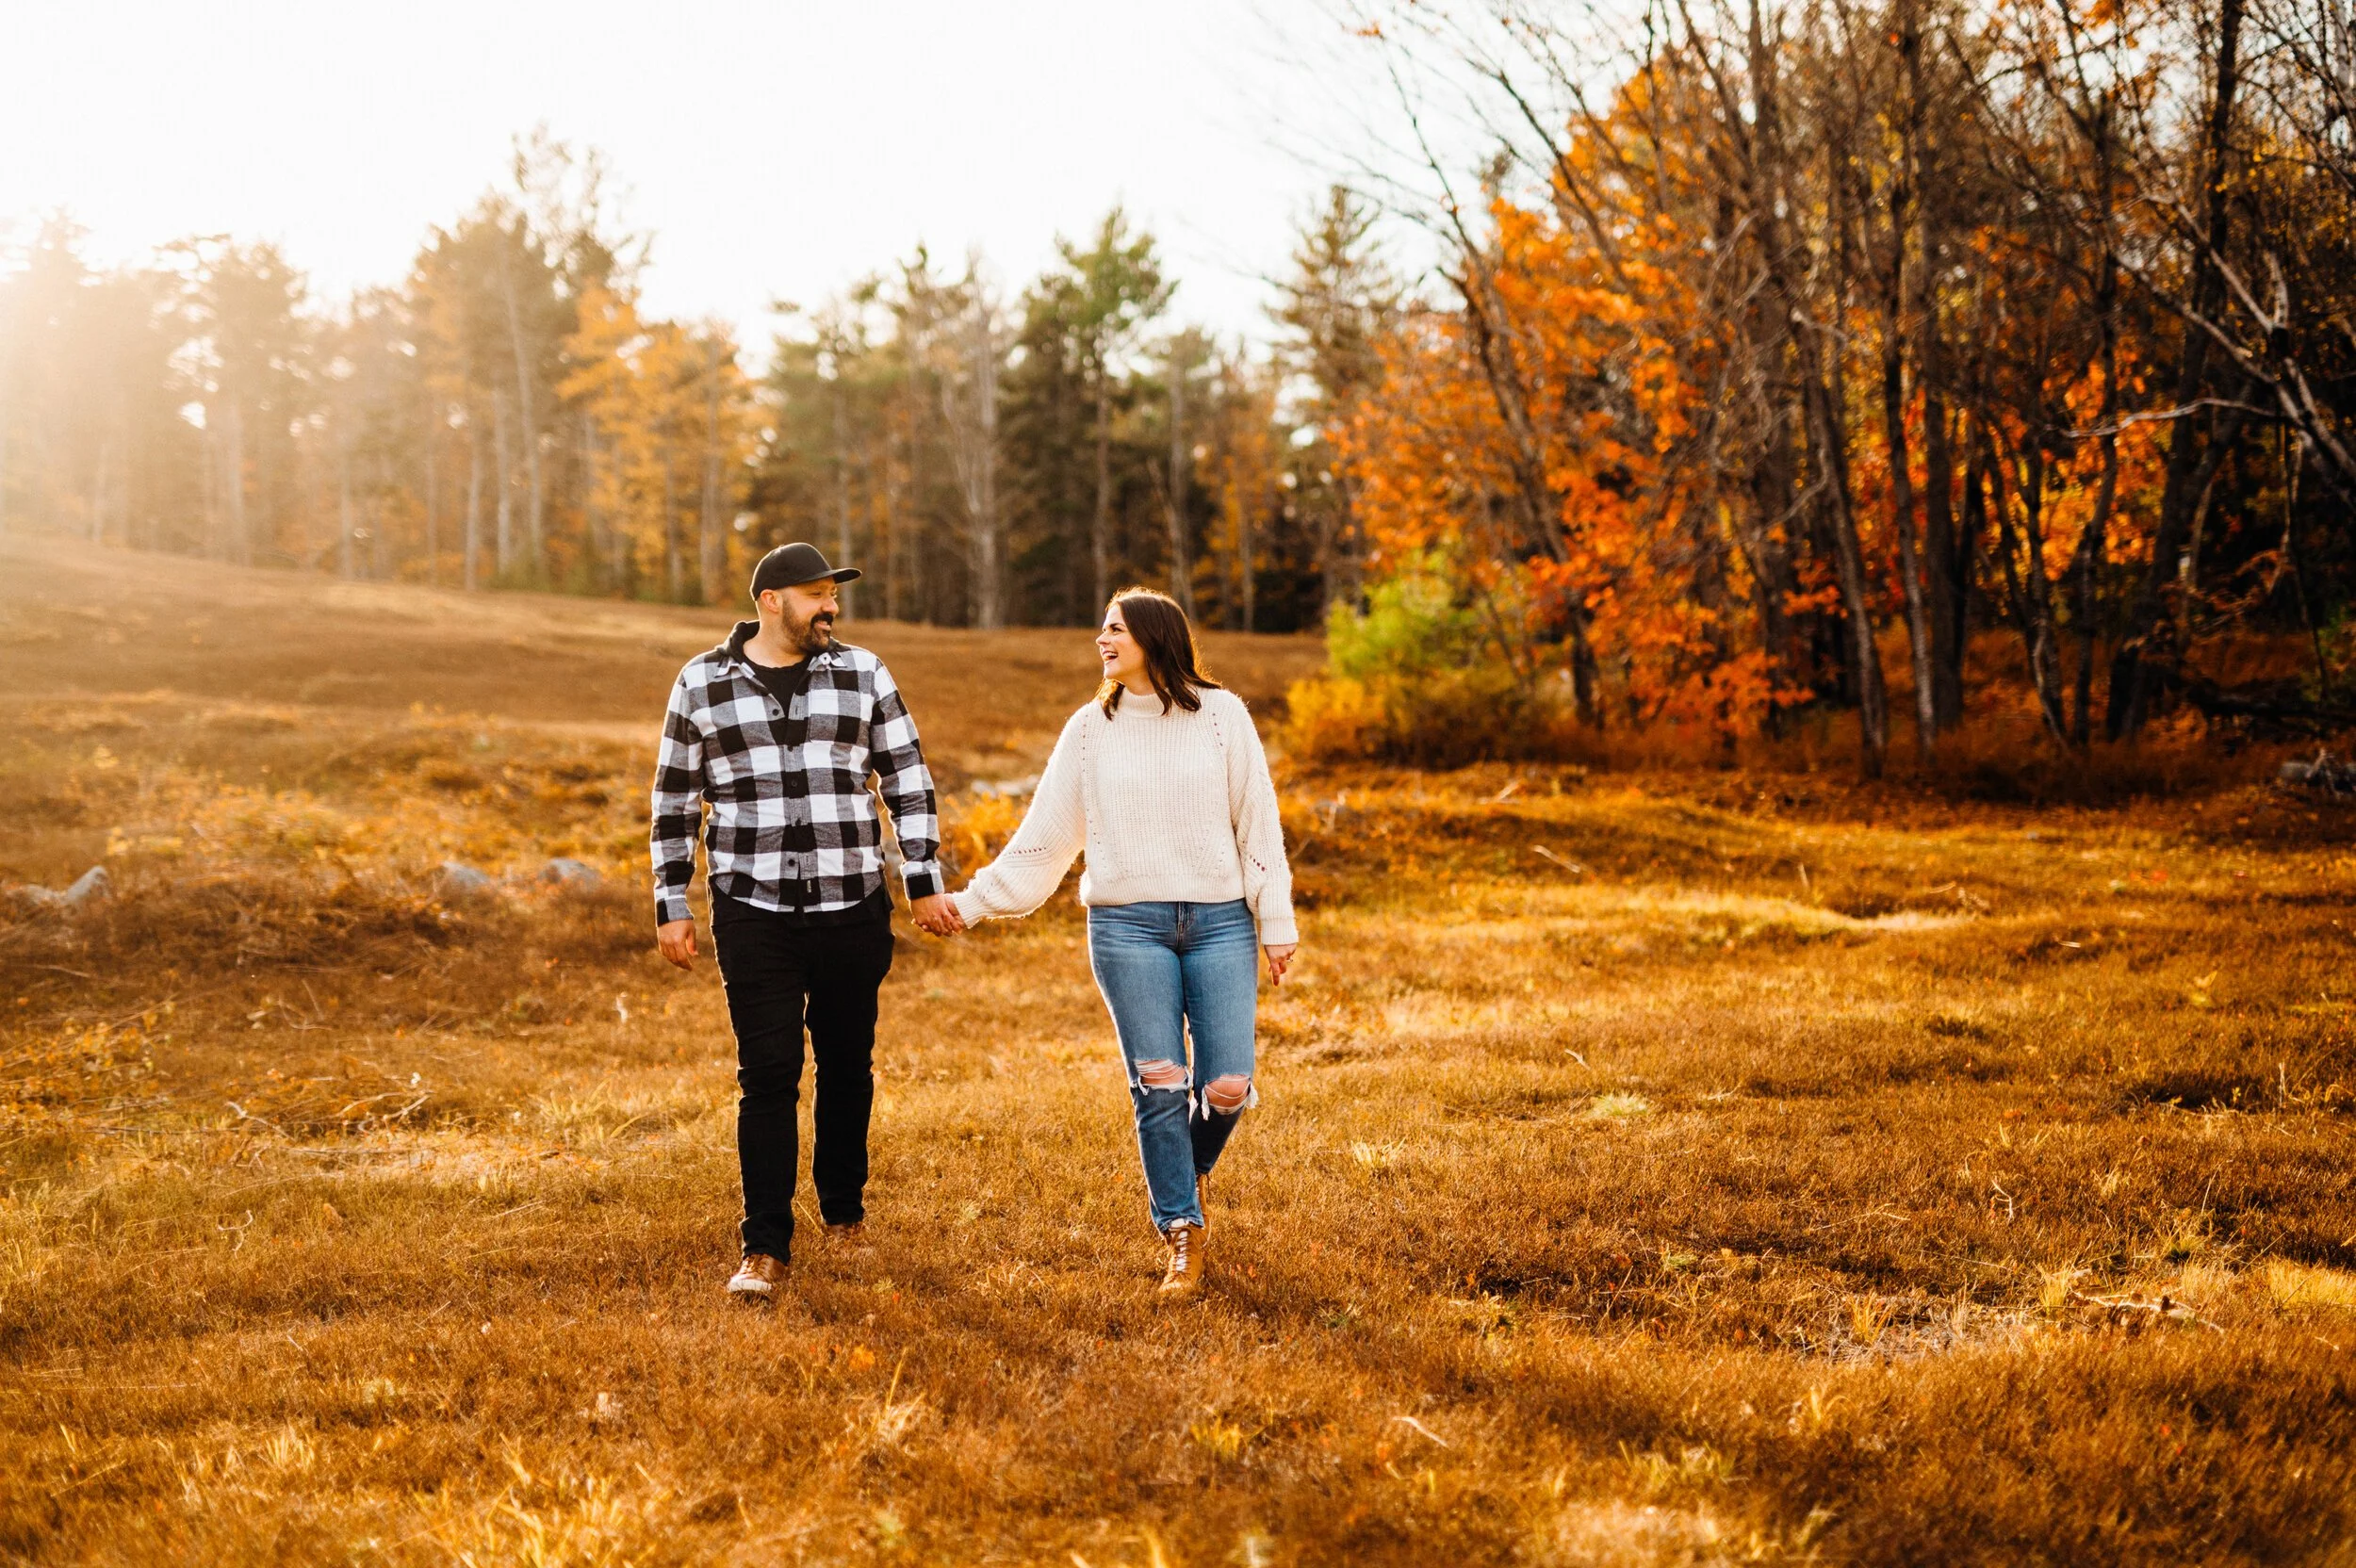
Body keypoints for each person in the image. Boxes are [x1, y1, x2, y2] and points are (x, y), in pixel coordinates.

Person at [940, 587, 1297, 1298]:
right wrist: (971, 903)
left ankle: (1181, 1166)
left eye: (1116, 629)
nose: (1103, 640)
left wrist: (1275, 918)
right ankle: (1182, 1234)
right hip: (1127, 927)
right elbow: (1045, 839)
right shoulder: (1089, 729)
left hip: (1221, 920)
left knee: (1228, 1084)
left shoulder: (1222, 717)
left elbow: (1259, 821)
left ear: (1155, 637)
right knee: (1161, 1079)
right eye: (1101, 627)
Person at [649, 542, 964, 1300]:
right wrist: (671, 902)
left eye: (833, 595)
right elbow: (673, 801)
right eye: (816, 595)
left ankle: (844, 1213)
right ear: (769, 601)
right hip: (751, 908)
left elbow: (909, 780)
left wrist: (920, 880)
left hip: (851, 902)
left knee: (848, 1066)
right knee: (767, 1074)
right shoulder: (701, 682)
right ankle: (764, 1246)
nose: (830, 607)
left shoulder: (864, 673)